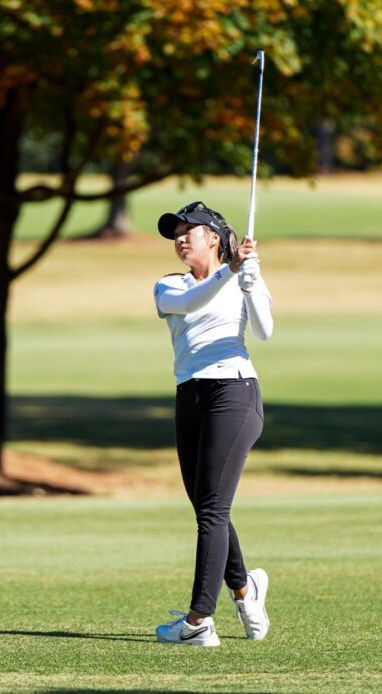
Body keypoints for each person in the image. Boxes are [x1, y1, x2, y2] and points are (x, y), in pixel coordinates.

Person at [151, 201, 274, 647]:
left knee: (211, 510)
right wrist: (230, 272)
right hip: (191, 396)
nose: (180, 237)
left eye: (190, 230)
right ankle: (246, 589)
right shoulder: (169, 285)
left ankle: (199, 621)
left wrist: (251, 280)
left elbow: (263, 331)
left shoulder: (241, 278)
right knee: (206, 504)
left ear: (214, 238)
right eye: (176, 232)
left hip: (235, 393)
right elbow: (186, 303)